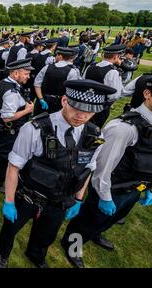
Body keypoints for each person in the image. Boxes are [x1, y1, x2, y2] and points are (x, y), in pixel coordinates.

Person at [0, 79, 116, 268]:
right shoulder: (34, 129)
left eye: (89, 111)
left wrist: (77, 199)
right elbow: (14, 167)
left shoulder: (95, 136)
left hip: (60, 201)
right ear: (65, 101)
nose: (82, 116)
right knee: (10, 229)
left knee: (46, 234)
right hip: (28, 197)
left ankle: (36, 255)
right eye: (77, 108)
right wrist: (9, 201)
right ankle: (3, 253)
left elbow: (88, 169)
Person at [61, 77, 152, 268]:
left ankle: (96, 233)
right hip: (112, 189)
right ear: (147, 94)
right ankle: (72, 245)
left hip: (134, 188)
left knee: (110, 219)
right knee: (87, 221)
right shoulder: (124, 128)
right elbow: (102, 168)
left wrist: (148, 187)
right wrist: (105, 196)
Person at [0, 58, 35, 193]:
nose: (28, 76)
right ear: (15, 74)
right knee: (3, 155)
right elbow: (7, 117)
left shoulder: (3, 83)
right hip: (7, 130)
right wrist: (27, 110)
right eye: (25, 73)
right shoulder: (11, 92)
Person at [83, 44, 124, 128]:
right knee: (93, 130)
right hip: (100, 107)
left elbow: (83, 81)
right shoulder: (113, 72)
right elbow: (115, 95)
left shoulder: (91, 66)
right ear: (116, 56)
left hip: (84, 102)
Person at [34, 46, 81, 115]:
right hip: (59, 102)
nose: (55, 57)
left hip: (44, 99)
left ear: (61, 56)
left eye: (57, 55)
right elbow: (71, 91)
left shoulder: (47, 67)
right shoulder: (72, 71)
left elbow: (37, 84)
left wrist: (41, 99)